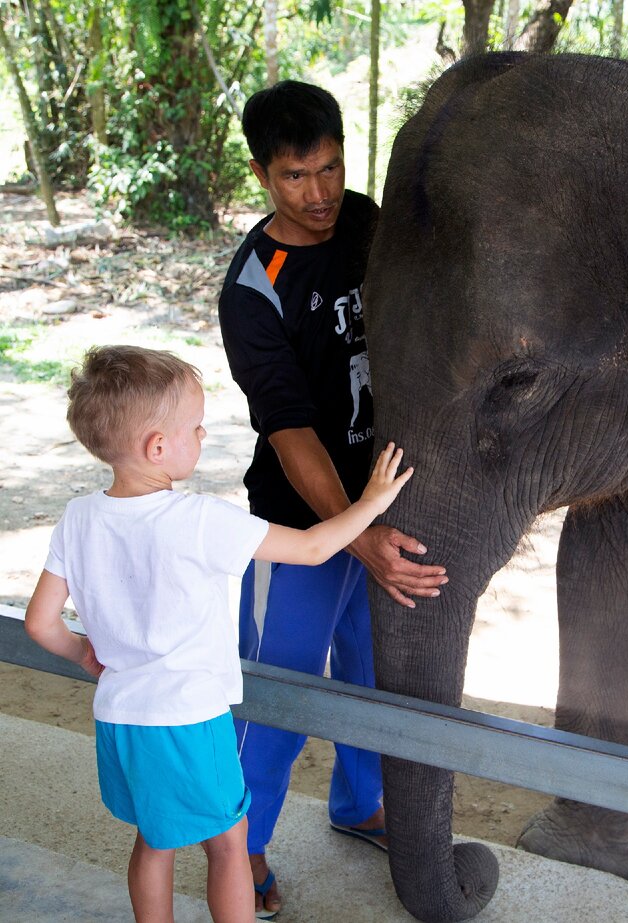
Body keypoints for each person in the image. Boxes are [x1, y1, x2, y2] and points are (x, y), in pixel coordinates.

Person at [23, 344, 413, 923]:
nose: (203, 436)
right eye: (196, 427)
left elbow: (38, 622)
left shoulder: (78, 517)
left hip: (120, 718)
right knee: (229, 842)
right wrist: (371, 503)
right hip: (188, 720)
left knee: (154, 840)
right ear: (158, 447)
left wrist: (83, 652)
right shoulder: (201, 520)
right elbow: (311, 548)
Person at [218, 80, 447, 918]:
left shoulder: (365, 220)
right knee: (275, 697)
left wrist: (381, 514)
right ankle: (238, 849)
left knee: (372, 672)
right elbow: (290, 432)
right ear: (261, 174)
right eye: (294, 177)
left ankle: (360, 804)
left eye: (329, 168)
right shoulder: (253, 289)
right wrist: (353, 534)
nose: (318, 195)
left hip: (380, 501)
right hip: (296, 525)